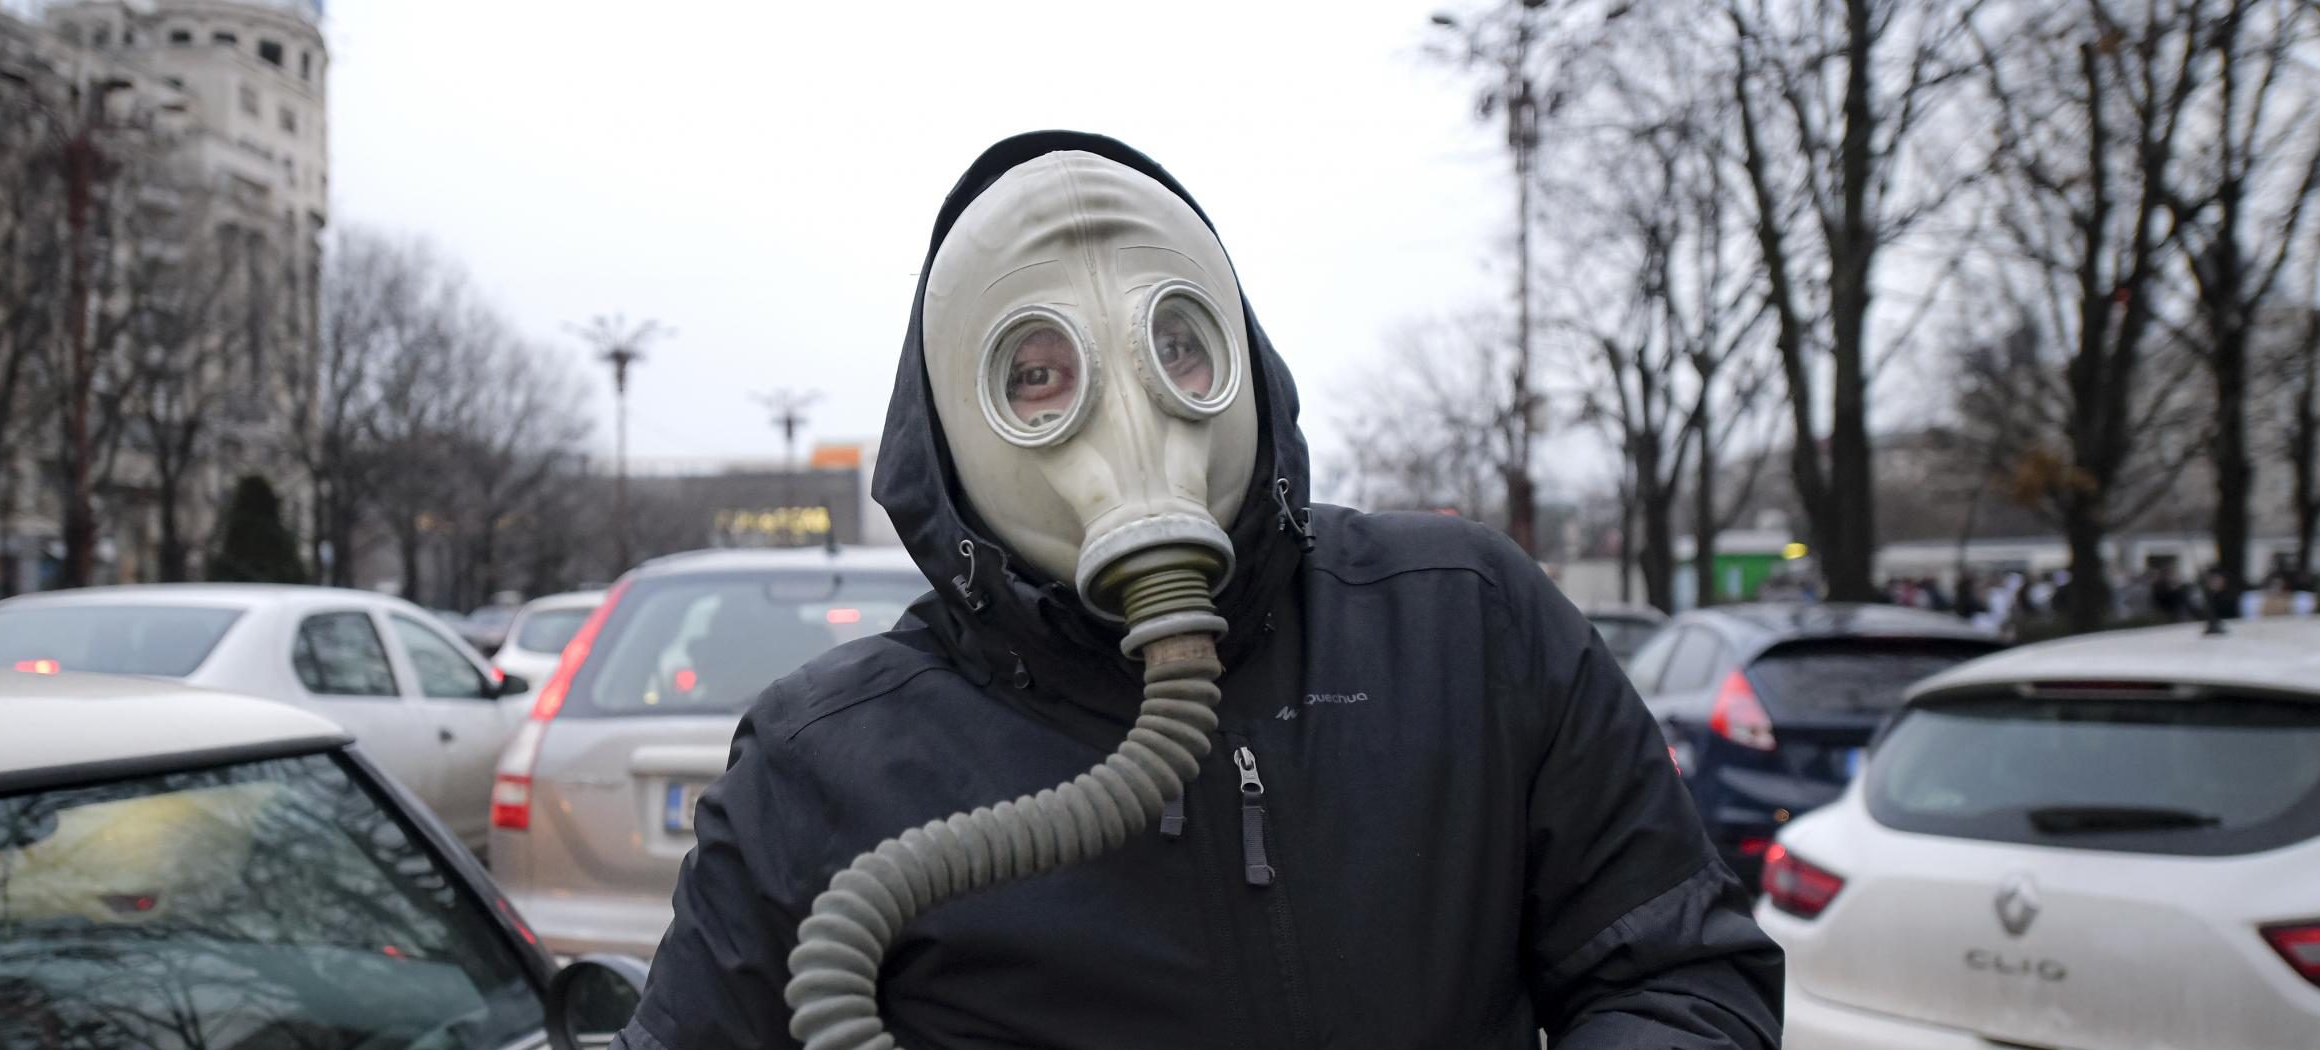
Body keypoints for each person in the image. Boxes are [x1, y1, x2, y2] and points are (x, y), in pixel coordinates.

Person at [615, 133, 1782, 1050]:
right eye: (1036, 375)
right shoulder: (824, 765)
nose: (1136, 421)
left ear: (1244, 363)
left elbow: (1678, 972)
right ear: (954, 433)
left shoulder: (1464, 626)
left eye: (1179, 347)